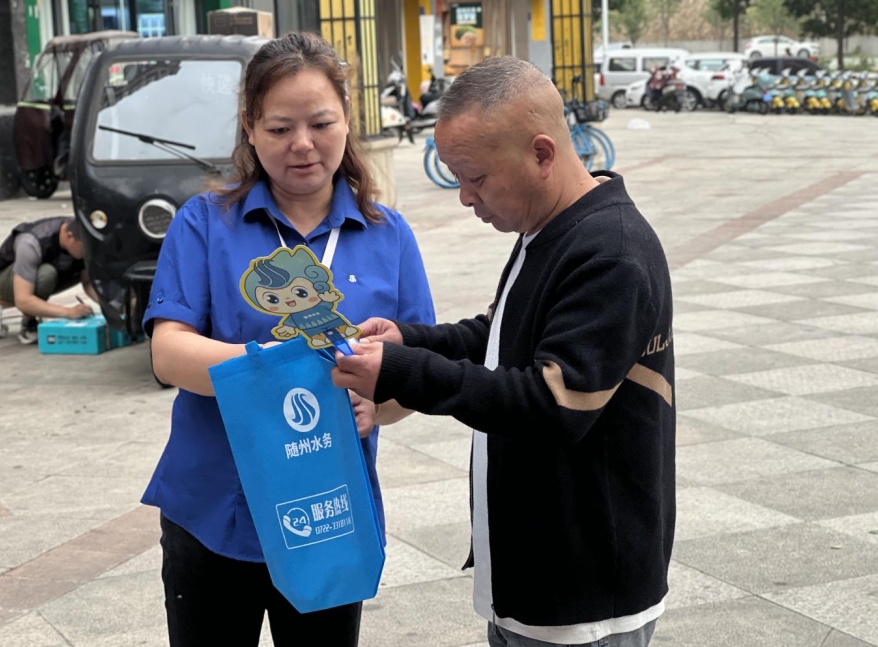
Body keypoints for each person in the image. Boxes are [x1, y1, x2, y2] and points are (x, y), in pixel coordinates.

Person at [332, 56, 675, 647]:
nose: (465, 198)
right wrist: (410, 339)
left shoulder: (611, 253)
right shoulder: (551, 227)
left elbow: (552, 403)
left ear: (542, 154)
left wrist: (404, 371)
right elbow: (499, 335)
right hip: (536, 573)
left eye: (476, 178)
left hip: (585, 595)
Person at [142, 32, 434, 647]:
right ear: (250, 128)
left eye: (321, 123)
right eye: (279, 128)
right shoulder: (205, 223)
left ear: (347, 119)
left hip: (327, 512)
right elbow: (169, 353)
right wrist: (277, 371)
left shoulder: (388, 235)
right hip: (214, 508)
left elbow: (414, 372)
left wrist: (377, 404)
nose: (303, 144)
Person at [0, 216, 95, 344]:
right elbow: (23, 300)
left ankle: (34, 311)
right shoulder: (30, 243)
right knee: (46, 274)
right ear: (70, 237)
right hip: (8, 281)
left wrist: (112, 306)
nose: (88, 252)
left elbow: (89, 283)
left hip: (34, 277)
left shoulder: (77, 232)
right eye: (84, 248)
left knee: (79, 267)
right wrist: (69, 312)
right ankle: (29, 321)